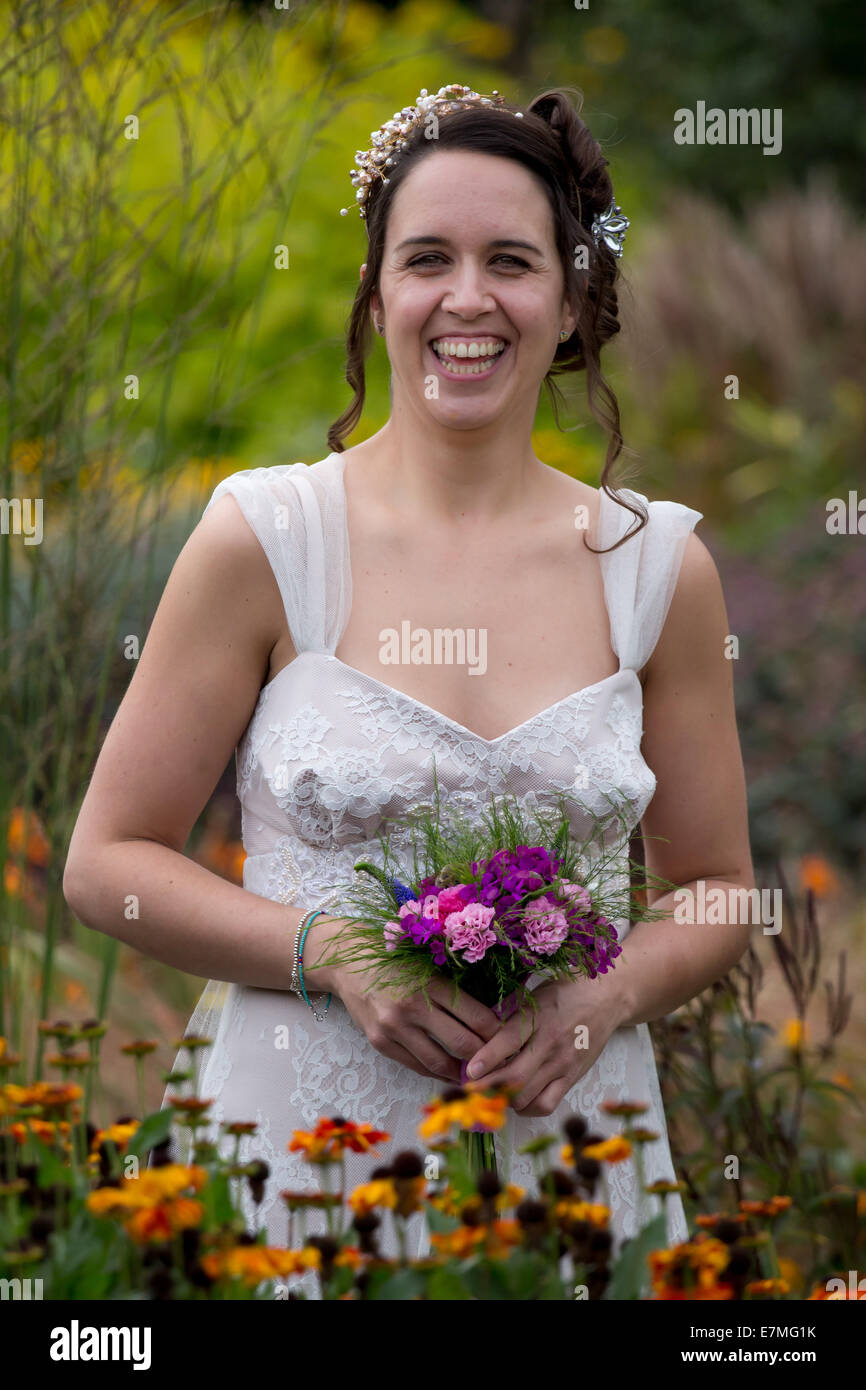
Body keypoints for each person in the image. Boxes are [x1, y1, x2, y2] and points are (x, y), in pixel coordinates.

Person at [63, 85, 755, 1287]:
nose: (467, 299)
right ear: (377, 291)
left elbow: (716, 888)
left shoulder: (657, 570)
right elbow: (105, 862)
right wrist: (330, 952)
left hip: (572, 1163)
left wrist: (602, 996)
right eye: (426, 258)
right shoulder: (265, 540)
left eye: (511, 261)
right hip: (297, 1162)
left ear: (572, 295)